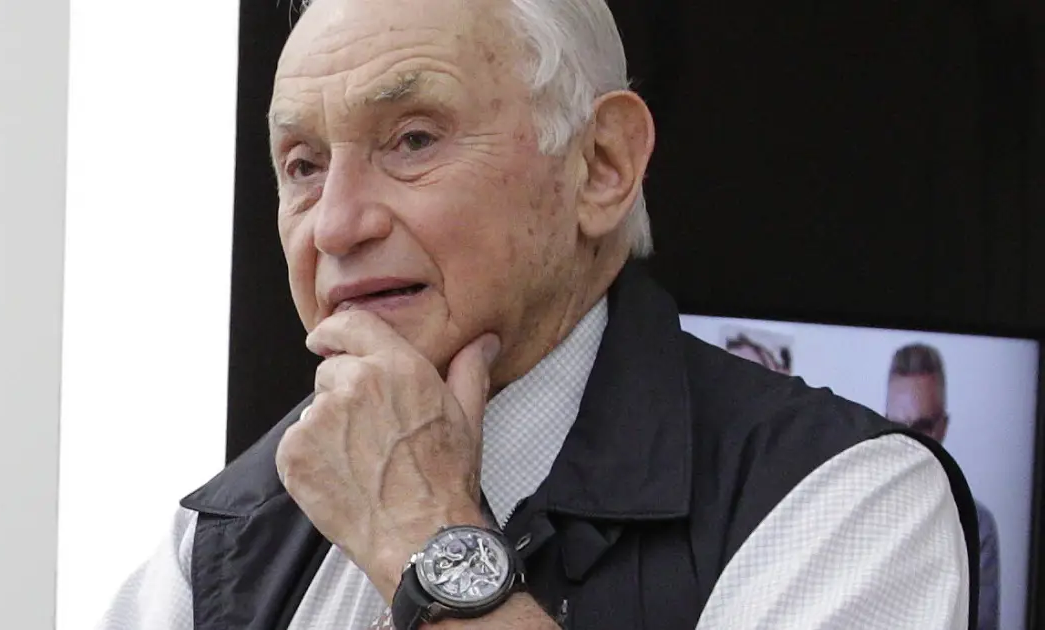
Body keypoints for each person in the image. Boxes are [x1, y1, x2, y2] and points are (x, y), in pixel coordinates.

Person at [97, 0, 980, 627]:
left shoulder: (845, 498)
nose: (334, 225)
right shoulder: (217, 542)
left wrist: (426, 535)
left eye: (413, 139)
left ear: (601, 165)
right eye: (303, 165)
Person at [887, 343, 1000, 629]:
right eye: (896, 425)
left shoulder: (978, 527)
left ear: (943, 427)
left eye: (922, 426)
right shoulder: (854, 512)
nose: (909, 442)